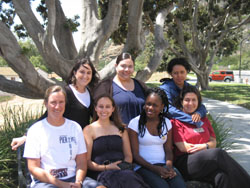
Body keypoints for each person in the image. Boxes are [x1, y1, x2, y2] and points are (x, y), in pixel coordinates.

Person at [23, 85, 105, 188]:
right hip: (47, 182)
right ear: (46, 104)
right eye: (53, 102)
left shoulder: (75, 127)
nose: (57, 106)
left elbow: (81, 162)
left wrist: (78, 182)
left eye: (61, 102)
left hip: (74, 178)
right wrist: (61, 184)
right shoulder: (36, 130)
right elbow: (33, 168)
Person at [11, 58, 99, 150]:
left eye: (89, 73)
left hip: (81, 143)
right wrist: (26, 136)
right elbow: (47, 115)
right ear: (74, 72)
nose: (85, 76)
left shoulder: (91, 93)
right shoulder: (65, 92)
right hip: (64, 142)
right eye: (82, 72)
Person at [172, 86, 250, 188]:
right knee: (217, 153)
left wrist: (205, 146)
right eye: (187, 100)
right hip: (186, 163)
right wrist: (205, 147)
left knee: (222, 177)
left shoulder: (203, 119)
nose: (190, 103)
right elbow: (184, 147)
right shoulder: (175, 121)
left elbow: (213, 141)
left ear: (198, 102)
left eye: (194, 100)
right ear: (181, 102)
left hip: (206, 161)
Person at [83, 94, 150, 188]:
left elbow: (128, 156)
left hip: (122, 170)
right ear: (95, 108)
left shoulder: (120, 128)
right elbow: (87, 161)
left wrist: (121, 167)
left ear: (113, 109)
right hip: (101, 172)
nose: (104, 110)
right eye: (101, 106)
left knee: (129, 178)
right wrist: (107, 167)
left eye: (108, 107)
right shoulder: (88, 130)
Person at [128, 88, 186, 188]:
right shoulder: (135, 123)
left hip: (163, 165)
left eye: (155, 105)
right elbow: (135, 155)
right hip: (143, 167)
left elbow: (168, 149)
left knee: (179, 185)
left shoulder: (166, 123)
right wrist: (155, 169)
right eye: (148, 104)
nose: (150, 108)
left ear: (162, 107)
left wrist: (169, 166)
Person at [93, 52, 147, 125]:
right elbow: (96, 111)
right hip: (117, 133)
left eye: (130, 66)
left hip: (140, 133)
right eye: (123, 66)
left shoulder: (141, 85)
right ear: (116, 66)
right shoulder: (105, 87)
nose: (127, 69)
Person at [159, 57, 206, 127]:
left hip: (190, 125)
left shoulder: (191, 88)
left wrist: (198, 113)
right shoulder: (165, 88)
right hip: (172, 126)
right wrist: (191, 119)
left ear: (187, 72)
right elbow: (168, 109)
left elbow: (201, 106)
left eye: (182, 72)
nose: (179, 76)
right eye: (175, 73)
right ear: (171, 74)